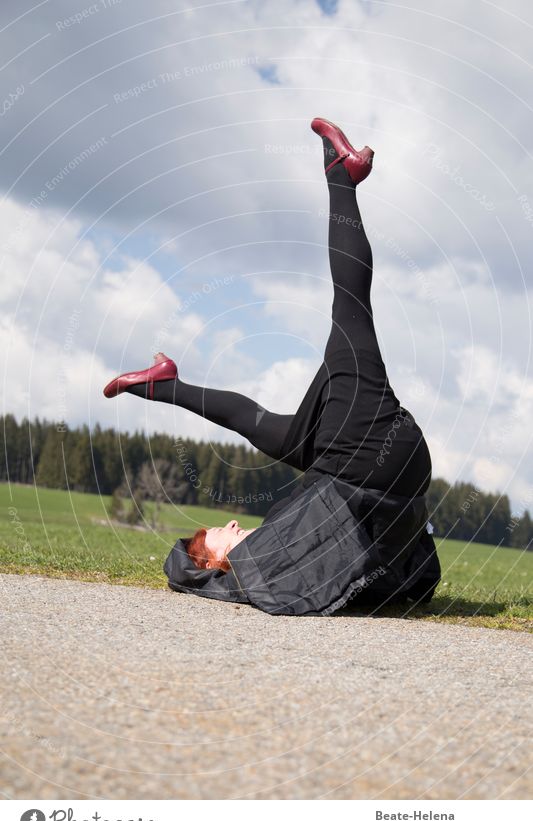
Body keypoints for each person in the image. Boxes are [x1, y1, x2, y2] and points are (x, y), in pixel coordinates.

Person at [103, 117, 441, 616]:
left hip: (380, 473)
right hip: (367, 462)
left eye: (220, 531)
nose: (230, 527)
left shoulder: (272, 556)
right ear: (213, 562)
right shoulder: (261, 565)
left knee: (274, 432)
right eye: (216, 535)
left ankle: (164, 385)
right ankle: (340, 178)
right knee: (351, 308)